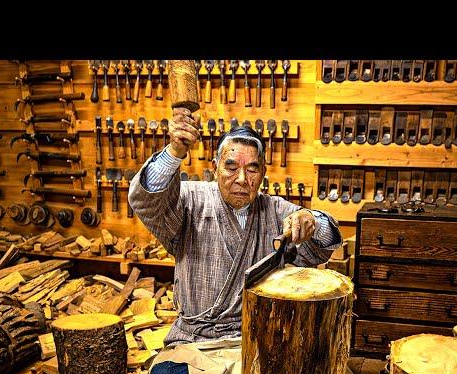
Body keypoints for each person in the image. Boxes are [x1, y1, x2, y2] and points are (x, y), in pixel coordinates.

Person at [128, 107, 343, 348]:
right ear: (215, 167)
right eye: (231, 167)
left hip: (257, 338)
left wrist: (313, 220)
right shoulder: (189, 200)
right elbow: (147, 201)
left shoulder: (275, 211)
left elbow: (320, 248)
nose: (241, 178)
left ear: (263, 172)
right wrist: (175, 152)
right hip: (195, 340)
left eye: (251, 169)